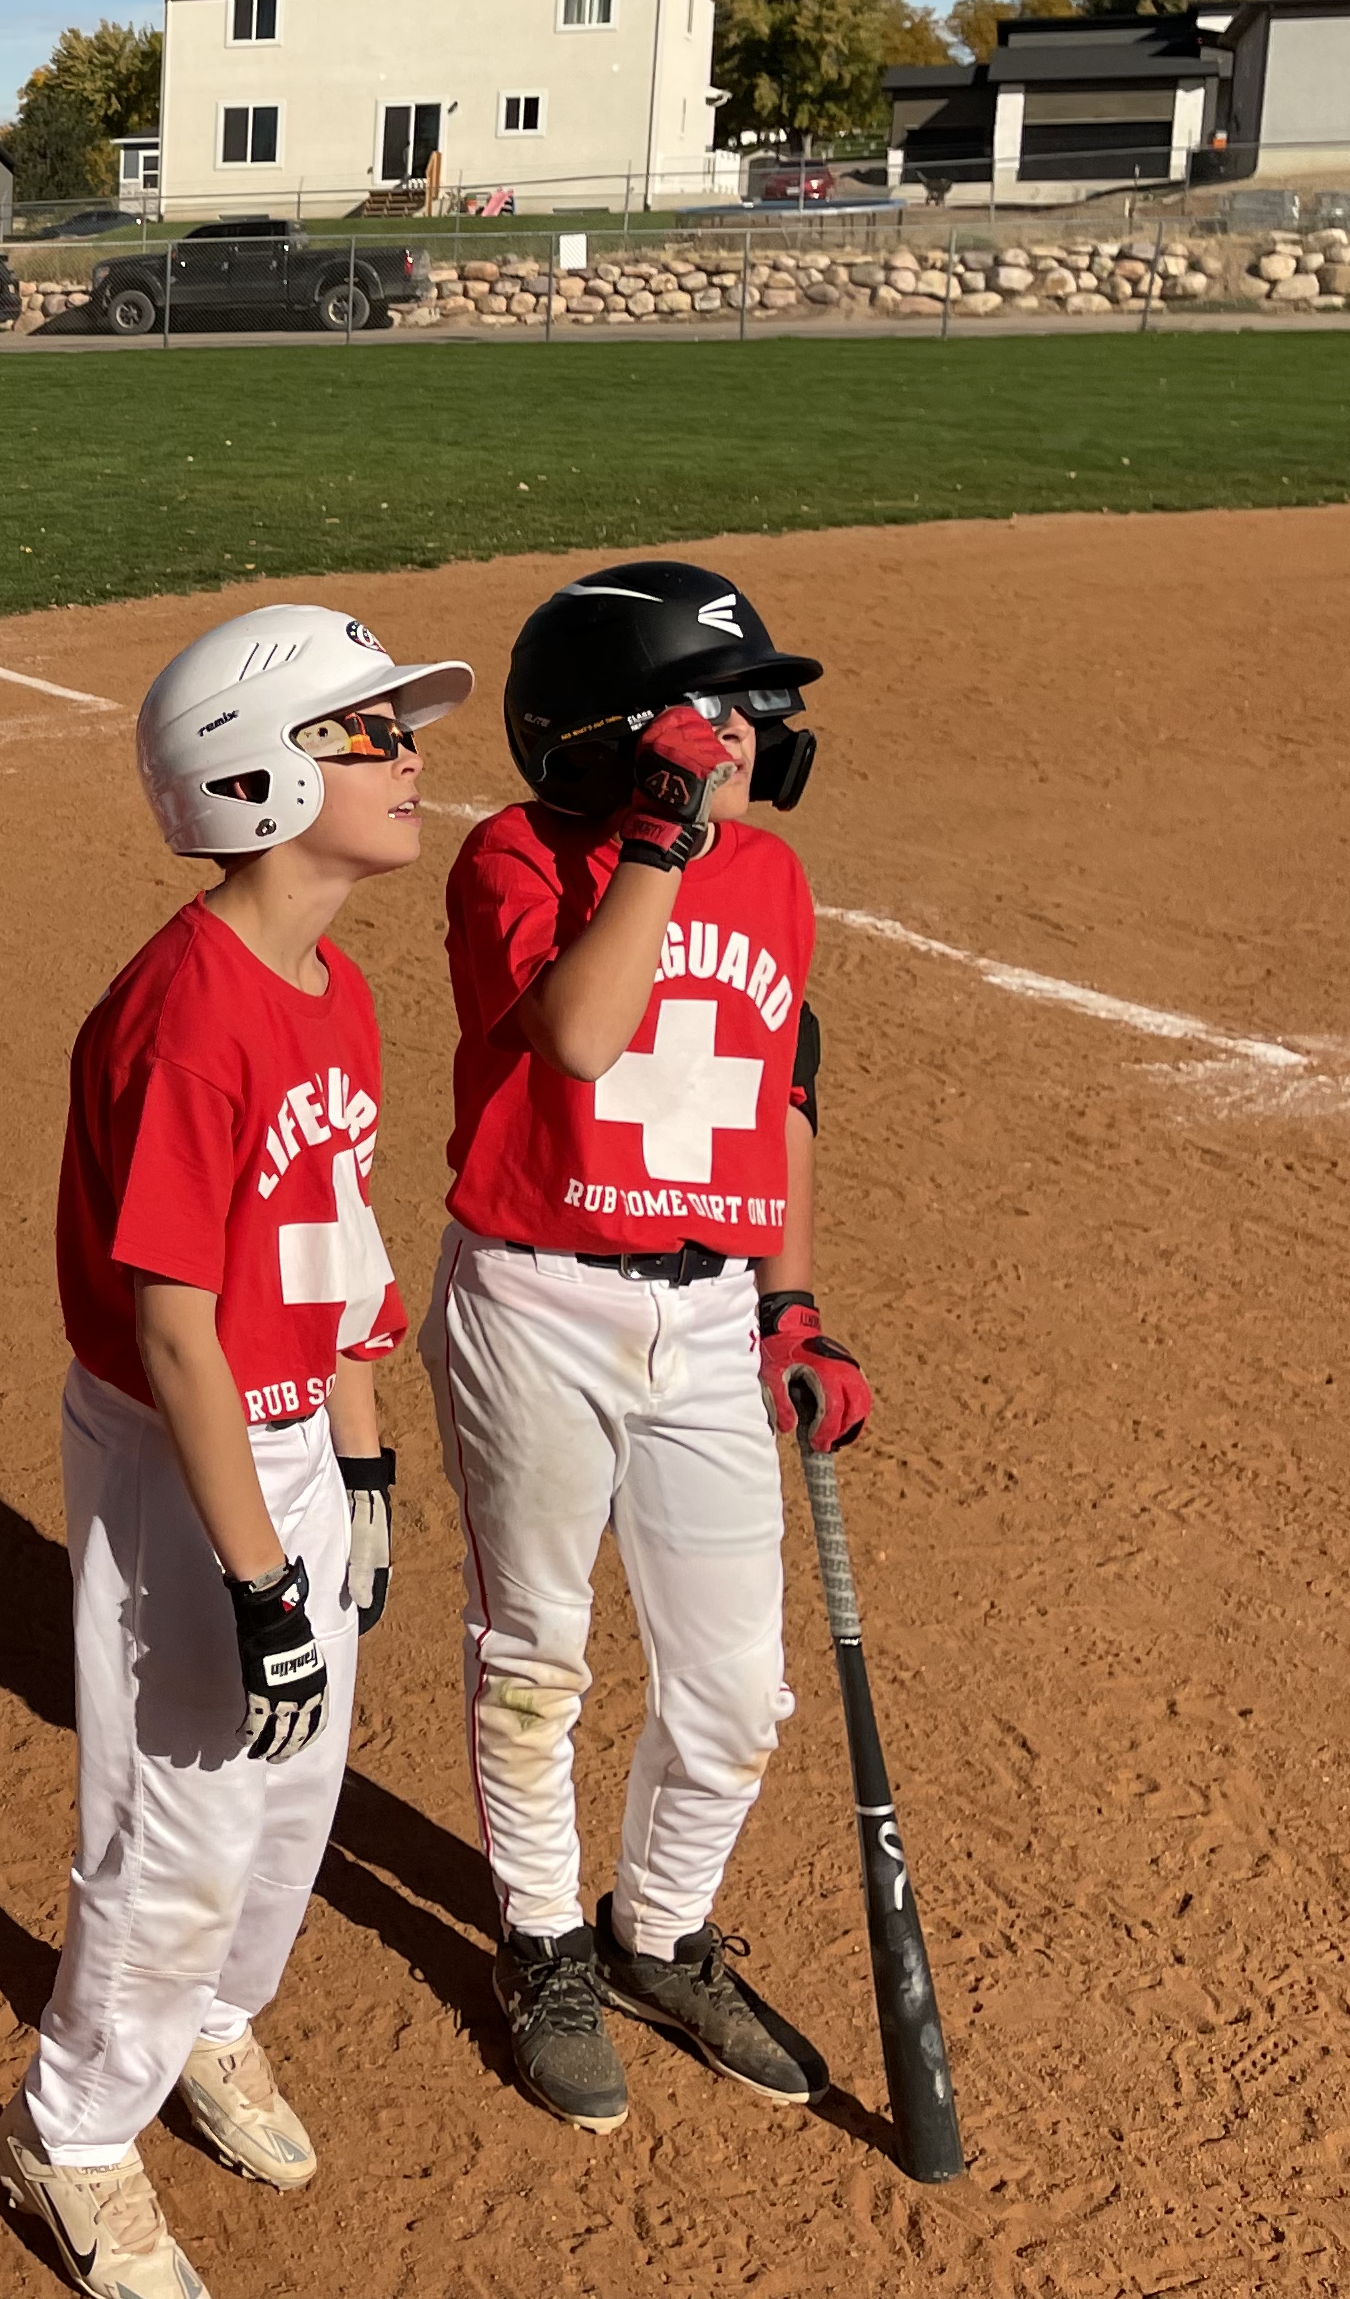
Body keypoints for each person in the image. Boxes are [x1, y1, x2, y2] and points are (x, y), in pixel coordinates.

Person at [0, 606, 468, 2299]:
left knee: (297, 1775)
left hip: (284, 1444)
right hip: (178, 1453)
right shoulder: (190, 1013)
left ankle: (208, 2019)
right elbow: (177, 1321)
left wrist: (359, 1463)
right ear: (256, 777)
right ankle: (73, 2126)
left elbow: (326, 1258)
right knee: (182, 1806)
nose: (409, 757)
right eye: (367, 733)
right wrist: (259, 1568)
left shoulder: (330, 989)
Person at [422, 559, 873, 2133]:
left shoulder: (775, 880)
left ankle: (660, 1930)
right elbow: (580, 1034)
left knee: (740, 1684)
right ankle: (544, 1942)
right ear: (616, 738)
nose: (752, 733)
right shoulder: (511, 859)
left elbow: (781, 1108)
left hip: (702, 1316)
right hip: (539, 1300)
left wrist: (792, 1301)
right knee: (537, 1652)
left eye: (757, 708)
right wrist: (656, 849)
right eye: (720, 706)